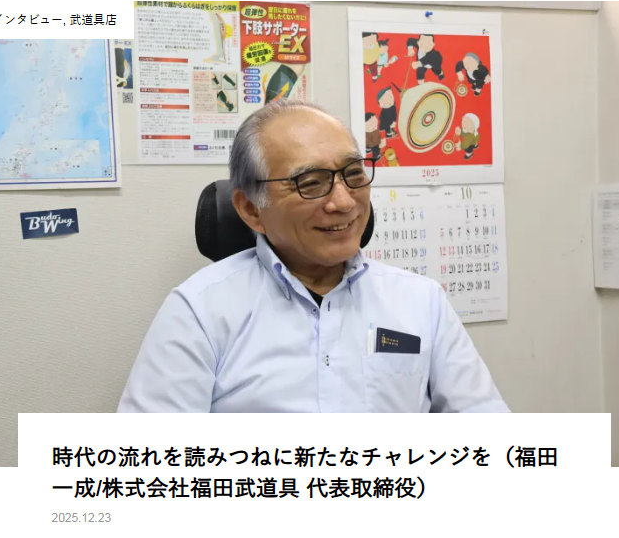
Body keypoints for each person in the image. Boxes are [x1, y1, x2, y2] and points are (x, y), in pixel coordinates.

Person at [118, 100, 509, 414]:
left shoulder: (422, 301)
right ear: (252, 209)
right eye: (310, 183)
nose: (343, 202)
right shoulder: (200, 310)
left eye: (353, 174)